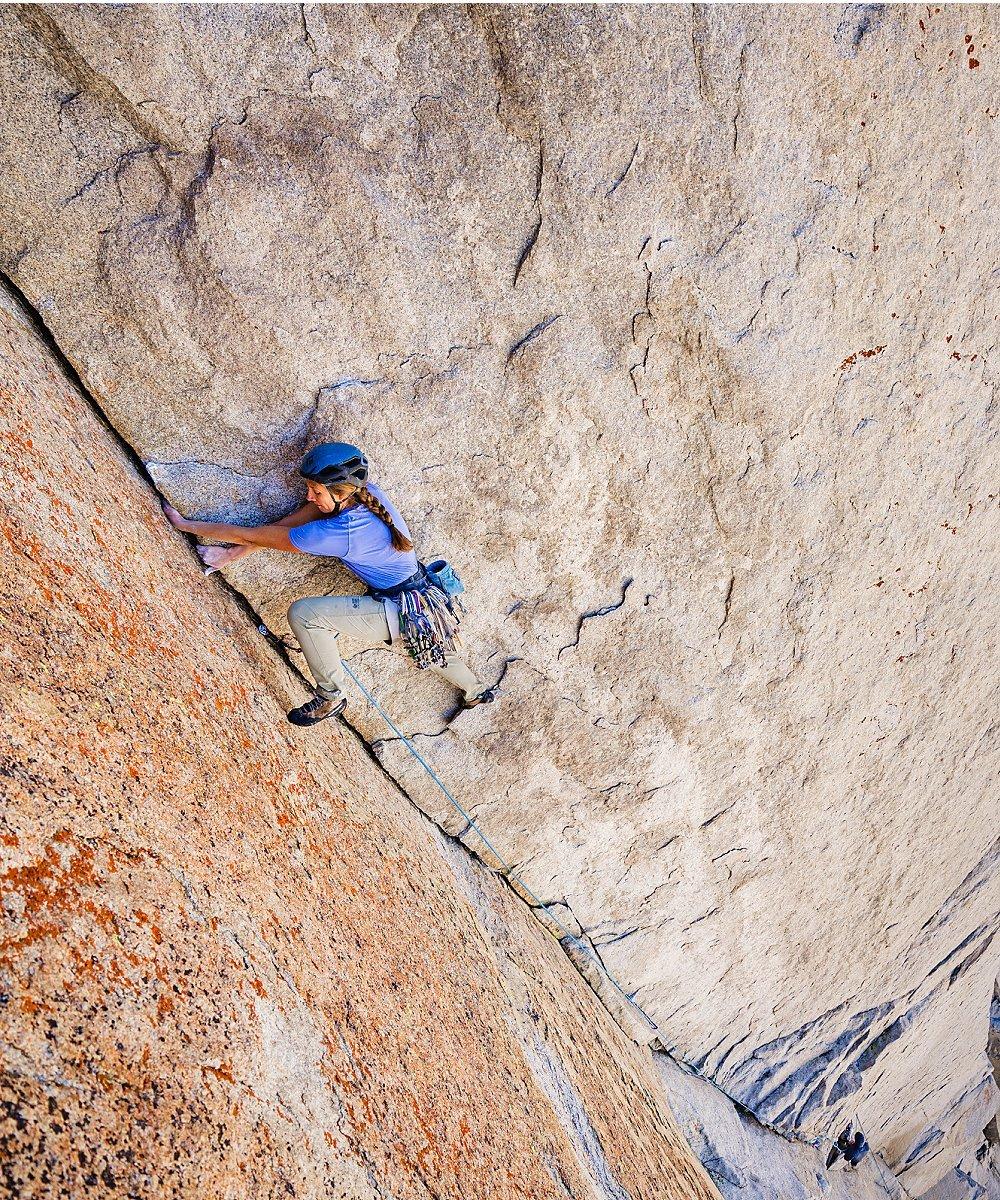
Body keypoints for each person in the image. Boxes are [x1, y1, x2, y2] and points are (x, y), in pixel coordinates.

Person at [162, 441, 498, 726]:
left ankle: (330, 696)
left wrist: (187, 524)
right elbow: (289, 524)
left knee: (305, 615)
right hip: (425, 600)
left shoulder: (341, 534)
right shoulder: (368, 496)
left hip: (399, 607)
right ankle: (477, 690)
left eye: (315, 491)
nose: (308, 497)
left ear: (339, 493)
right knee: (431, 646)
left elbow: (255, 534)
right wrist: (233, 556)